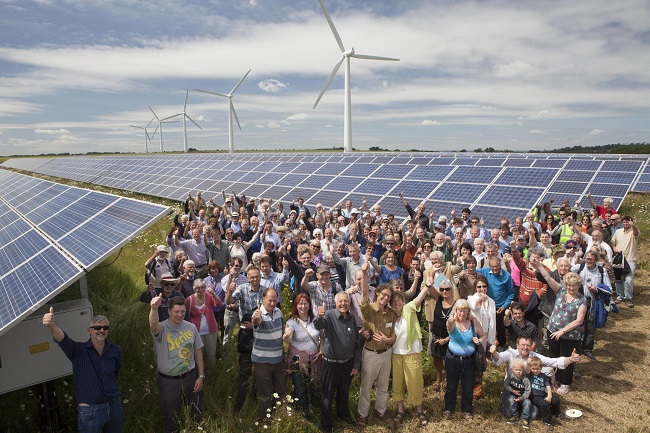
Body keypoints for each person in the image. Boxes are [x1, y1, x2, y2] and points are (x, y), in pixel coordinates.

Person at [42, 308, 123, 433]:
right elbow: (62, 338)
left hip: (114, 407)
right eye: (97, 328)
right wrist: (51, 326)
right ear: (89, 331)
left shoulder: (115, 350)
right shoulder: (78, 351)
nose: (102, 330)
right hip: (90, 412)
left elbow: (115, 374)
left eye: (105, 328)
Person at [149, 295, 204, 433]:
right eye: (176, 312)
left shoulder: (191, 327)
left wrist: (201, 376)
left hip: (191, 377)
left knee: (196, 412)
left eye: (182, 312)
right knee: (171, 417)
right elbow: (153, 325)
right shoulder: (162, 328)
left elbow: (197, 351)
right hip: (169, 382)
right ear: (169, 312)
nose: (180, 315)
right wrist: (154, 308)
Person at [534, 266, 587, 396]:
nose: (571, 288)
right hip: (552, 330)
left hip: (569, 336)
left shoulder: (582, 300)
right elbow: (547, 277)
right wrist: (538, 266)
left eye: (574, 286)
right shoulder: (561, 291)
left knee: (567, 359)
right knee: (554, 356)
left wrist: (562, 331)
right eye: (569, 285)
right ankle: (555, 379)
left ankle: (565, 383)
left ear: (578, 285)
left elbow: (579, 320)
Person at [314, 292, 363, 433]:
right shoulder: (329, 316)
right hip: (331, 364)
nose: (343, 304)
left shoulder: (352, 318)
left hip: (347, 364)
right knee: (327, 395)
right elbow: (319, 325)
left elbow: (356, 343)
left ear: (349, 303)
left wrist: (356, 365)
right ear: (336, 303)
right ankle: (327, 425)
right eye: (340, 301)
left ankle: (343, 416)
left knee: (343, 393)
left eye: (346, 301)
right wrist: (319, 317)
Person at [357, 277, 397, 425]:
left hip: (386, 353)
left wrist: (387, 340)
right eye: (383, 294)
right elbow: (364, 294)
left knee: (383, 385)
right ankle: (363, 414)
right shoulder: (368, 310)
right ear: (377, 293)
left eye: (388, 296)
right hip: (370, 354)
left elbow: (393, 335)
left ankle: (381, 410)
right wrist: (366, 272)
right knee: (366, 386)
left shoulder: (391, 313)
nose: (385, 298)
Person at [390, 281, 429, 426]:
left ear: (403, 300)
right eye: (394, 301)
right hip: (396, 354)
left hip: (412, 352)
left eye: (399, 300)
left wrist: (427, 286)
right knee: (398, 383)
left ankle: (419, 409)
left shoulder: (409, 308)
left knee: (415, 381)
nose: (397, 303)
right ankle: (400, 409)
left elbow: (418, 298)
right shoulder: (390, 315)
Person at [443, 299, 487, 419]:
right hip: (453, 359)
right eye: (459, 311)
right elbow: (449, 327)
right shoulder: (452, 322)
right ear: (455, 311)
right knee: (451, 385)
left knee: (468, 386)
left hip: (469, 360)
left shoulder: (473, 322)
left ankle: (467, 410)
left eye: (464, 311)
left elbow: (483, 335)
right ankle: (448, 408)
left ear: (468, 311)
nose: (462, 314)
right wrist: (450, 321)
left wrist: (480, 341)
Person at [252, 287, 287, 415]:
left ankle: (282, 416)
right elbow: (256, 322)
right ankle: (266, 419)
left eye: (275, 300)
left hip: (279, 360)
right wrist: (256, 318)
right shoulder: (258, 313)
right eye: (270, 300)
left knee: (282, 391)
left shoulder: (278, 312)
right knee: (265, 394)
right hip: (262, 362)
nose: (272, 303)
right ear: (263, 299)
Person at [284, 293, 322, 412]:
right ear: (296, 306)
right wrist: (286, 336)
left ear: (310, 305)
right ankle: (303, 413)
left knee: (315, 386)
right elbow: (288, 336)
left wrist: (321, 351)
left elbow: (323, 337)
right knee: (300, 388)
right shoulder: (292, 322)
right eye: (300, 303)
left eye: (306, 303)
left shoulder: (315, 319)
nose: (303, 306)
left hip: (315, 359)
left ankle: (316, 411)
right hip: (298, 360)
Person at [467, 276, 496, 399]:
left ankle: (477, 387)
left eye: (484, 286)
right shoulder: (470, 299)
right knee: (470, 361)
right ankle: (467, 386)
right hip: (473, 336)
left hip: (485, 337)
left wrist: (491, 340)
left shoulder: (492, 301)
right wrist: (479, 301)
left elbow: (493, 322)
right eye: (479, 286)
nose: (482, 289)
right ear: (475, 288)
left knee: (480, 362)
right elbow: (472, 310)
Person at [425, 276, 457, 386]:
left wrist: (446, 339)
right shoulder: (438, 299)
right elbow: (430, 288)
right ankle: (438, 379)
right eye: (442, 289)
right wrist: (429, 281)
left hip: (449, 337)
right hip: (436, 335)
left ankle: (450, 380)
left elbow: (458, 325)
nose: (444, 291)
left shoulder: (456, 305)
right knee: (437, 358)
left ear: (452, 290)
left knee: (450, 361)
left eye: (447, 289)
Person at [185, 278, 222, 365]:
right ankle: (199, 371)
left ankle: (212, 372)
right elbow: (186, 315)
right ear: (194, 289)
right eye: (198, 288)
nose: (200, 290)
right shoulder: (189, 300)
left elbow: (219, 304)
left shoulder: (209, 296)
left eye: (202, 287)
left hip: (211, 330)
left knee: (211, 353)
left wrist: (213, 294)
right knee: (198, 353)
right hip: (196, 332)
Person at [611, 215, 639, 308]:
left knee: (628, 280)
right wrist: (615, 249)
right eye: (624, 222)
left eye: (627, 222)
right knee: (619, 279)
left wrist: (633, 225)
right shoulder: (618, 232)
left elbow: (636, 233)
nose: (625, 224)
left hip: (630, 259)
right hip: (619, 259)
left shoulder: (633, 231)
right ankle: (620, 296)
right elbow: (613, 242)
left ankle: (628, 298)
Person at [527, 356, 561, 428]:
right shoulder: (529, 375)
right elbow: (526, 368)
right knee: (544, 404)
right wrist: (528, 363)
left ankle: (556, 414)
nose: (535, 371)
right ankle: (547, 421)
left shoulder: (543, 376)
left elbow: (548, 386)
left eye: (538, 369)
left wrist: (549, 396)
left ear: (541, 368)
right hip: (534, 396)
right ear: (530, 368)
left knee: (555, 400)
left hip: (543, 394)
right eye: (533, 369)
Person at [503, 359, 532, 428]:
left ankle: (525, 418)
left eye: (520, 370)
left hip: (523, 396)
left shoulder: (525, 379)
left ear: (523, 370)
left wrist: (522, 397)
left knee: (528, 403)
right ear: (512, 370)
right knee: (510, 399)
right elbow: (506, 384)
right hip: (513, 394)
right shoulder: (511, 376)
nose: (518, 372)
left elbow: (528, 390)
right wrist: (512, 390)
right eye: (516, 370)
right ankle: (515, 416)